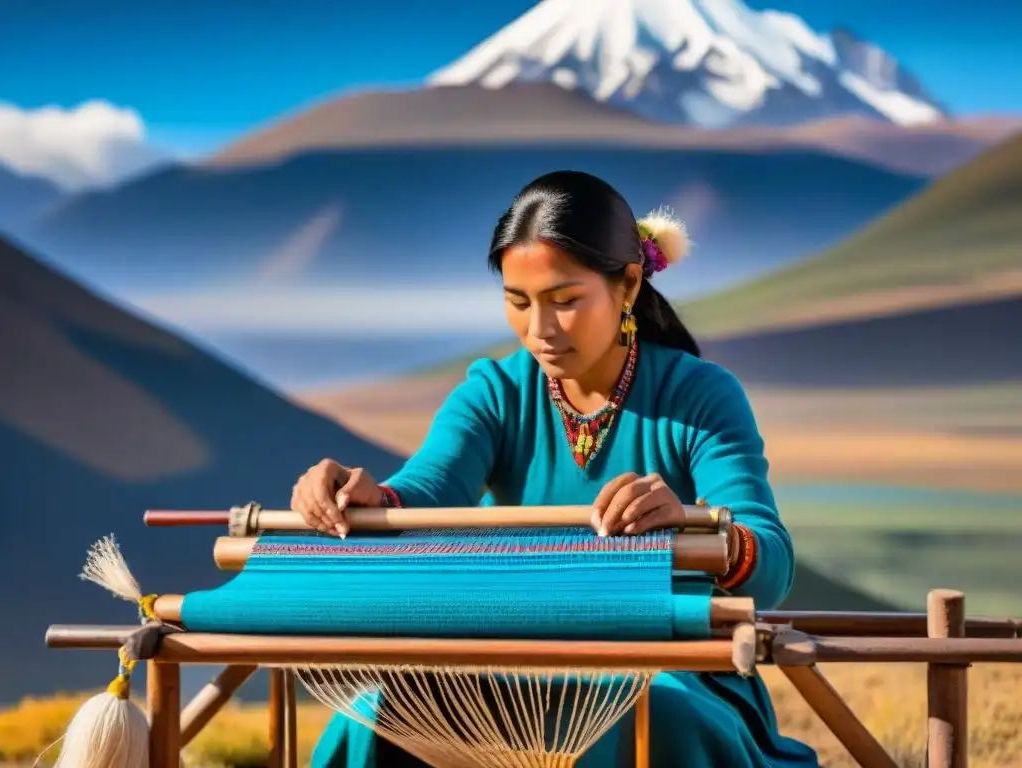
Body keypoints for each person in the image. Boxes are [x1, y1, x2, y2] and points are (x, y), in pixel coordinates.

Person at [291, 170, 820, 768]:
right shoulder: (494, 392)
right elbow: (428, 491)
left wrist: (696, 524)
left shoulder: (701, 395)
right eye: (518, 303)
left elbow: (768, 562)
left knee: (655, 717)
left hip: (673, 664)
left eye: (565, 302)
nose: (539, 331)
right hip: (512, 660)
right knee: (379, 711)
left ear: (627, 285)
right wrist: (366, 500)